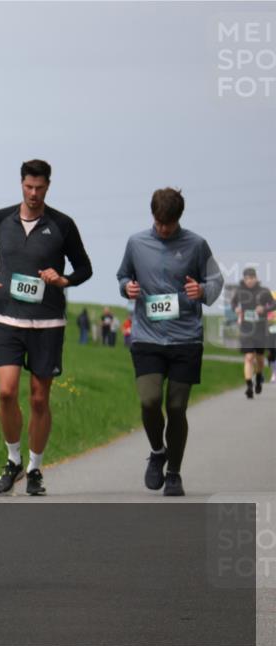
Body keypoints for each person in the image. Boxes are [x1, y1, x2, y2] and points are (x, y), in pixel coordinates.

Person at [0, 159, 92, 496]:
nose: (34, 193)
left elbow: (85, 267)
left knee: (39, 399)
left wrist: (64, 278)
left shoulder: (63, 225)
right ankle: (12, 460)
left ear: (48, 186)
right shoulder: (1, 219)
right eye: (28, 187)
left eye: (39, 188)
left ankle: (35, 469)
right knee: (7, 391)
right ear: (21, 184)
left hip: (48, 322)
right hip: (7, 319)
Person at [117, 187, 223, 496]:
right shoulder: (136, 243)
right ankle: (157, 451)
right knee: (149, 401)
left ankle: (174, 473)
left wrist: (201, 291)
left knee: (176, 407)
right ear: (153, 216)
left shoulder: (196, 245)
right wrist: (128, 289)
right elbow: (123, 277)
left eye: (170, 223)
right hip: (147, 337)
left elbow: (215, 281)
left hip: (184, 338)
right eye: (160, 222)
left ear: (179, 218)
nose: (164, 229)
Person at [231, 267, 275, 399]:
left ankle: (259, 375)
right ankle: (249, 386)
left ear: (256, 278)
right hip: (246, 329)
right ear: (244, 279)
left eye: (251, 278)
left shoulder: (264, 291)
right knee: (249, 357)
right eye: (247, 278)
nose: (249, 281)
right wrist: (236, 309)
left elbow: (274, 304)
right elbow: (233, 303)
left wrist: (265, 308)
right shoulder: (240, 291)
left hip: (260, 329)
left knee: (260, 359)